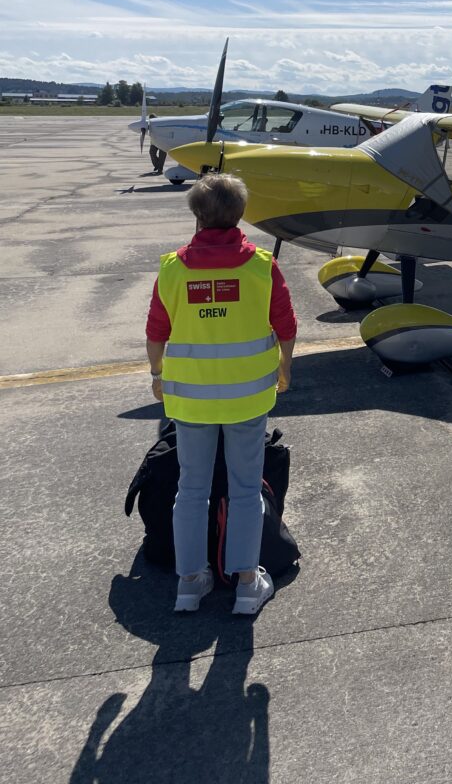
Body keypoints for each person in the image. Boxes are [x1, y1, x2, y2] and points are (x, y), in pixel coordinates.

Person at [144, 173, 297, 615]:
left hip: (190, 401)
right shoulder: (262, 266)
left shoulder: (172, 269)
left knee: (191, 489)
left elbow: (156, 333)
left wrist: (157, 373)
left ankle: (190, 583)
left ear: (197, 214)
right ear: (240, 214)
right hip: (247, 399)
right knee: (245, 488)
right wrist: (285, 367)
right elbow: (286, 326)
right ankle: (247, 584)